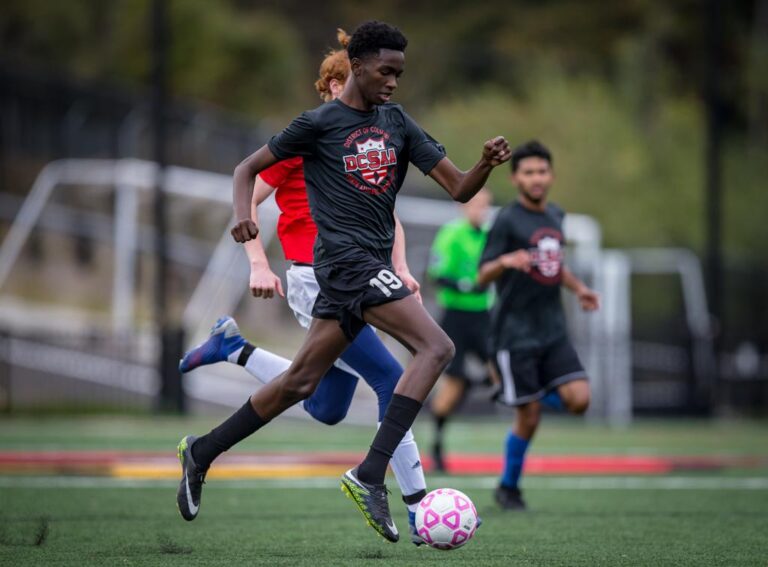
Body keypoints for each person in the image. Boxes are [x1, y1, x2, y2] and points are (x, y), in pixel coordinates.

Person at [178, 20, 510, 543]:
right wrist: (244, 217)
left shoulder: (398, 123)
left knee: (302, 386)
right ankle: (371, 475)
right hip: (344, 265)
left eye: (400, 72)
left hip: (358, 272)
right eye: (386, 70)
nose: (394, 81)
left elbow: (460, 189)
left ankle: (202, 451)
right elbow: (246, 170)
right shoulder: (317, 124)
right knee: (436, 347)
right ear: (356, 66)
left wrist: (486, 165)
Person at [477, 140, 599, 510]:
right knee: (528, 416)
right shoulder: (507, 219)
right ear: (515, 178)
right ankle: (508, 487)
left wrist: (579, 289)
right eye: (528, 172)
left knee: (579, 400)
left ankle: (518, 391)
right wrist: (505, 262)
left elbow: (553, 264)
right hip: (514, 334)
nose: (536, 178)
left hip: (552, 329)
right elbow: (482, 275)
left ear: (552, 176)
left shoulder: (556, 216)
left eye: (542, 171)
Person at [426, 188, 494, 472]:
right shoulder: (452, 234)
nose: (480, 210)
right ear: (464, 208)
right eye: (475, 205)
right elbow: (438, 275)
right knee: (453, 385)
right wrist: (467, 285)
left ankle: (474, 383)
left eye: (485, 205)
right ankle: (437, 445)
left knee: (501, 370)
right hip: (455, 316)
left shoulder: (490, 236)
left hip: (483, 315)